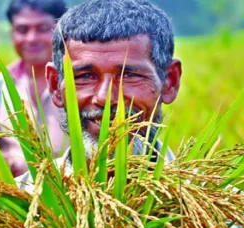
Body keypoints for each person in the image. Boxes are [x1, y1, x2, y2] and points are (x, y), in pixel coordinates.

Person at [16, 0, 182, 189]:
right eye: (85, 76)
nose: (105, 97)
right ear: (55, 86)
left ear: (170, 82)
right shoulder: (19, 201)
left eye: (129, 75)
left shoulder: (213, 207)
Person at [0, 0, 68, 177]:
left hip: (74, 196)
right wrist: (3, 164)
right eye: (22, 30)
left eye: (42, 28)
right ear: (12, 32)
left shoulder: (82, 83)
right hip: (14, 198)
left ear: (61, 31)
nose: (31, 38)